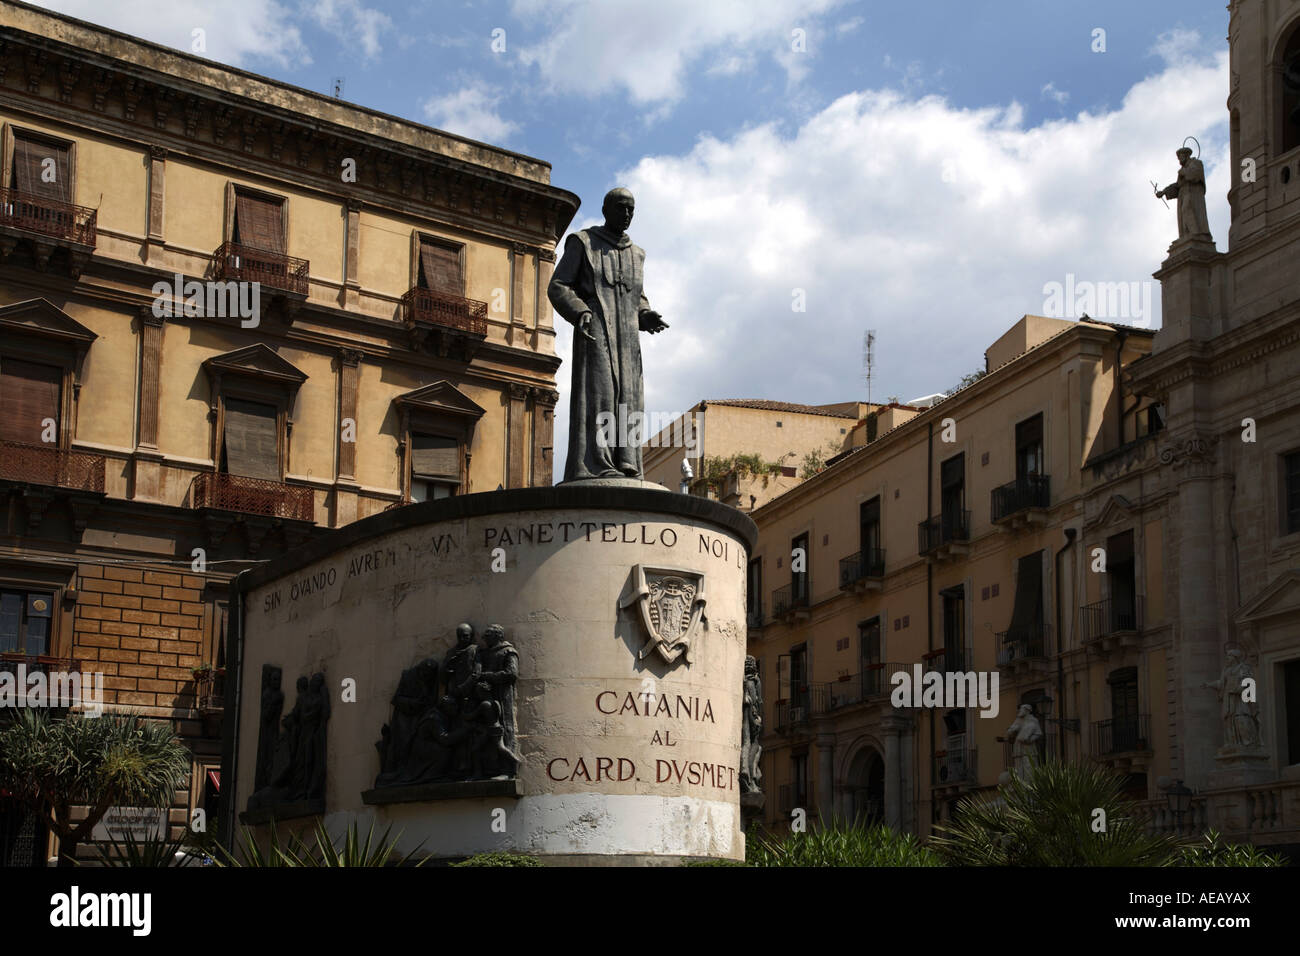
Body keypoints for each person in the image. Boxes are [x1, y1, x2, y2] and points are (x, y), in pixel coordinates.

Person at [548, 187, 668, 480]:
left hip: (628, 340)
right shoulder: (583, 242)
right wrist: (579, 311)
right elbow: (559, 285)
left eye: (631, 210)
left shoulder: (637, 255)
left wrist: (646, 314)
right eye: (621, 208)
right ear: (605, 210)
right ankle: (596, 463)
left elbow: (637, 296)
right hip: (597, 328)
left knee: (631, 399)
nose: (626, 215)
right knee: (600, 394)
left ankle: (627, 462)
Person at [1156, 147, 1211, 241]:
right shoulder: (1183, 169)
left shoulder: (1196, 163)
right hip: (1183, 193)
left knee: (1187, 209)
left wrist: (1184, 172)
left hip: (1194, 193)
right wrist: (1164, 191)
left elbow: (1195, 176)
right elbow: (1178, 185)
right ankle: (1187, 235)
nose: (1179, 161)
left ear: (1186, 155)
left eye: (1180, 157)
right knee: (1183, 214)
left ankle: (1196, 233)